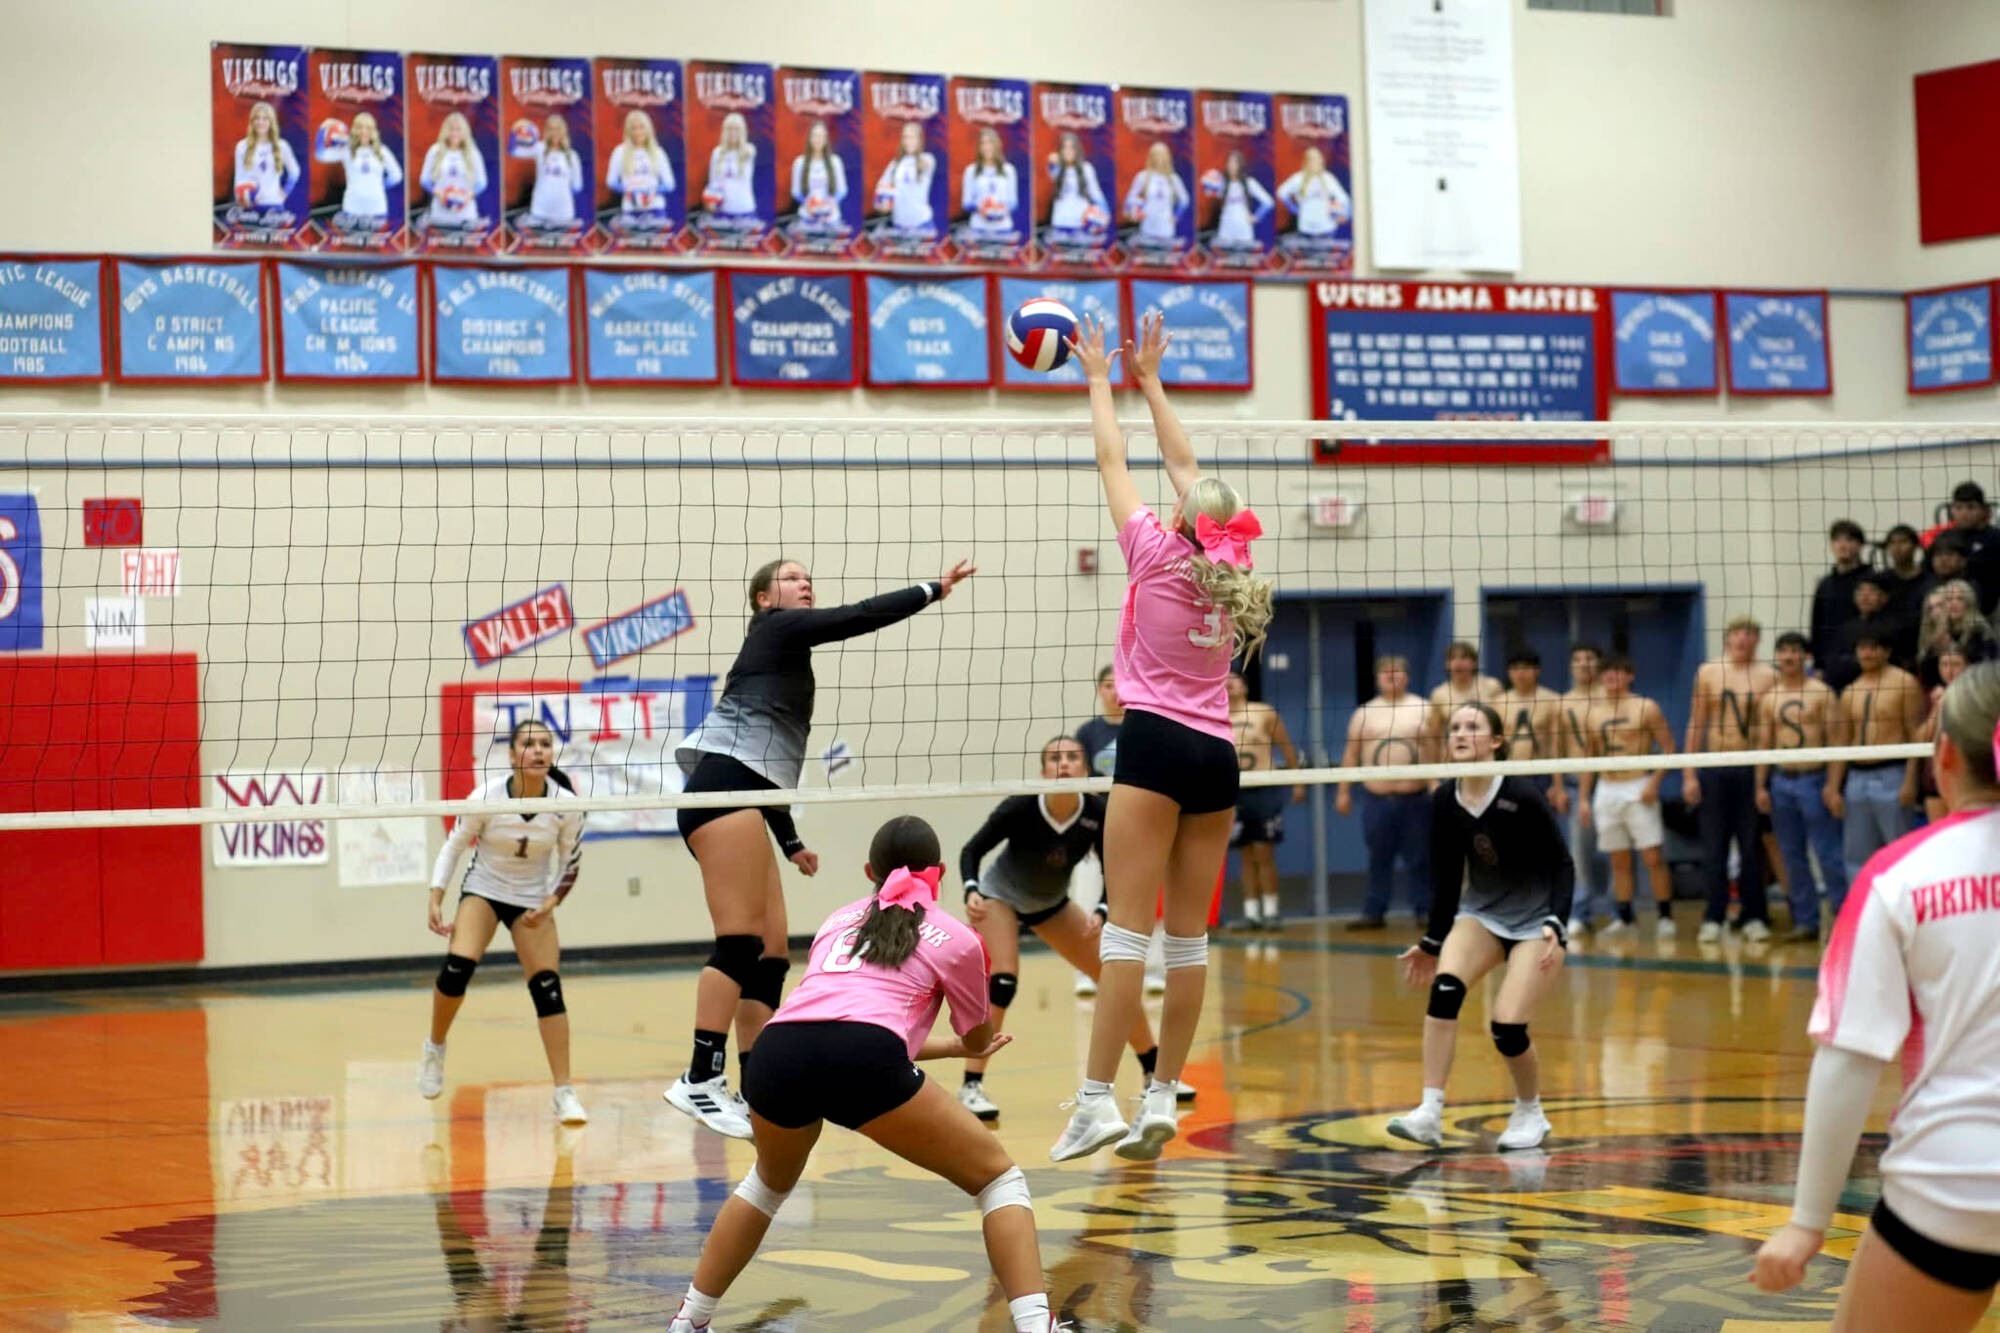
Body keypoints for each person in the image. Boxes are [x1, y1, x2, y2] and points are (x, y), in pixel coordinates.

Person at [666, 815, 1069, 1333]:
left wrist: (935, 1048)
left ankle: (689, 1321)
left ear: (868, 871)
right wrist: (969, 1043)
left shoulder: (837, 921)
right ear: (940, 872)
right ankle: (1038, 1326)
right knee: (999, 1180)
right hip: (863, 1057)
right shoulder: (959, 937)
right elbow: (971, 1039)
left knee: (766, 1186)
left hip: (778, 1050)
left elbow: (844, 1014)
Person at [1050, 311, 1273, 1164]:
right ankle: (1163, 1095)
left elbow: (1117, 460)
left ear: (1179, 517)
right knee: (1189, 940)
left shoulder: (1152, 548)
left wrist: (1104, 379)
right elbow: (1190, 470)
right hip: (1217, 755)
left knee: (1122, 936)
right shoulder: (1234, 566)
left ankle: (1097, 1099)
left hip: (1151, 745)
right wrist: (1153, 382)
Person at [665, 554, 976, 1139]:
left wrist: (791, 842)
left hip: (742, 798)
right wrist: (931, 589)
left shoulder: (785, 657)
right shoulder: (778, 629)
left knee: (772, 952)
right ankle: (700, 1078)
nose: (804, 582)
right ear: (763, 599)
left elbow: (763, 772)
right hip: (719, 794)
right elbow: (857, 617)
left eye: (809, 576)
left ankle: (756, 1092)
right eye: (790, 578)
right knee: (739, 940)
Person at [1750, 663, 2000, 1332]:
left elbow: (1850, 1058)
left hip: (1957, 1188)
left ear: (1942, 753)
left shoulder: (1900, 877)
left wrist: (1807, 1225)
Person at [957, 737, 1194, 1121]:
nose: (1064, 765)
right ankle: (971, 1086)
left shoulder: (1096, 811)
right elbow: (972, 850)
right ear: (1043, 770)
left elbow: (1111, 866)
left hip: (1052, 904)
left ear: (1085, 769)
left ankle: (1154, 1072)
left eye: (1072, 758)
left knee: (1116, 977)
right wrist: (971, 888)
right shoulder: (1021, 806)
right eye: (1055, 758)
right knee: (1003, 983)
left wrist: (1101, 909)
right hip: (999, 897)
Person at [1386, 702, 1571, 1152]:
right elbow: (1446, 877)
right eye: (1454, 728)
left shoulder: (1522, 795)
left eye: (1473, 727)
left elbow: (1562, 864)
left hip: (1535, 923)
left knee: (1507, 1028)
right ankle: (1430, 1111)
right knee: (1445, 991)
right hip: (1482, 914)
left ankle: (1531, 1111)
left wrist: (1557, 922)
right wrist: (1432, 941)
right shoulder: (1444, 799)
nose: (1461, 734)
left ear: (1495, 742)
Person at [421, 718, 587, 1123]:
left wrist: (551, 902)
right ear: (512, 755)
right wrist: (436, 896)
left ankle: (563, 1091)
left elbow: (570, 863)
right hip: (485, 890)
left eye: (545, 744)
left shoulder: (565, 805)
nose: (538, 751)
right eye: (529, 744)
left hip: (531, 898)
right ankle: (435, 1048)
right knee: (456, 970)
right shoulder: (487, 796)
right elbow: (454, 846)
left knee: (548, 990)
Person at [1072, 667, 1166, 998]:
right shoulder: (1087, 732)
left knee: (1145, 899)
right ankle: (1087, 972)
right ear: (1100, 690)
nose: (1115, 691)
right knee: (1086, 899)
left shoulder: (1143, 728)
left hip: (1139, 825)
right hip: (1095, 827)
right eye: (1109, 686)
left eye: (1121, 685)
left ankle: (1154, 970)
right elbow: (1076, 777)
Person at [1684, 615, 1778, 943]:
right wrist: (1689, 774)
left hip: (1751, 766)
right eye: (1738, 633)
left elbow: (1771, 729)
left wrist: (1764, 780)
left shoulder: (1769, 675)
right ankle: (1714, 915)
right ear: (1728, 638)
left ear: (1757, 640)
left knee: (1751, 847)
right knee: (1714, 848)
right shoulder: (1708, 672)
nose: (1743, 639)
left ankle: (1755, 915)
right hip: (1715, 765)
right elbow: (1696, 722)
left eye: (1750, 634)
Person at [1755, 632, 1850, 945]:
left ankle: (1843, 916)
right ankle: (1805, 921)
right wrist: (1761, 786)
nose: (1788, 657)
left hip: (1815, 779)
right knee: (1791, 855)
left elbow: (1837, 742)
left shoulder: (1821, 693)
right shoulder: (1770, 697)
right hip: (1781, 782)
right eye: (1783, 651)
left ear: (1805, 656)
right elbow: (1764, 743)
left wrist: (1833, 786)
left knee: (1828, 853)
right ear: (1777, 657)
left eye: (1795, 651)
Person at [1578, 655, 1679, 938]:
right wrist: (1585, 799)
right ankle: (1624, 918)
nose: (1612, 678)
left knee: (1652, 857)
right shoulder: (1594, 713)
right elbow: (1589, 759)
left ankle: (1665, 916)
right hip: (1607, 789)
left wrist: (1654, 783)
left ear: (1630, 675)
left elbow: (1670, 749)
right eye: (1607, 673)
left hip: (1638, 785)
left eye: (1619, 672)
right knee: (1618, 861)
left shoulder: (1646, 707)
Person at [1337, 655, 1436, 930]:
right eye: (1385, 672)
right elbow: (1351, 752)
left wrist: (1435, 785)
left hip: (1415, 798)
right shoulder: (1364, 713)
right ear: (1377, 678)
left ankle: (1425, 909)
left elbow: (1434, 751)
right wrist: (1343, 791)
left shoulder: (1424, 708)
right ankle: (1374, 911)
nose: (1391, 676)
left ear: (1407, 676)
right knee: (1378, 858)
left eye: (1398, 671)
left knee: (1421, 858)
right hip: (1376, 799)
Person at [1828, 629, 1926, 887]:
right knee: (1856, 856)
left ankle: (1907, 919)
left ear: (1886, 651)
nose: (1867, 653)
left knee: (1900, 853)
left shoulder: (1903, 683)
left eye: (1873, 647)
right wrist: (1833, 786)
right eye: (1862, 648)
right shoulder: (1850, 691)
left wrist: (1909, 781)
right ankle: (1860, 917)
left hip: (1892, 774)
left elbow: (1916, 734)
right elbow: (1842, 742)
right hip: (1857, 779)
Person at [1227, 670, 1304, 930]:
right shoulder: (1215, 714)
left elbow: (1287, 747)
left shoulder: (1264, 712)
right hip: (1233, 791)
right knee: (1245, 855)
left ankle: (1271, 911)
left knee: (1263, 852)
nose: (1229, 683)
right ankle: (1251, 914)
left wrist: (1297, 781)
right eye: (1224, 680)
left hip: (1263, 788)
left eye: (1234, 679)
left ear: (1245, 687)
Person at [1559, 643, 1611, 937]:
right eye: (1578, 659)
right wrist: (1557, 786)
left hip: (1611, 782)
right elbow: (1558, 748)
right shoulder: (1563, 702)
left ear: (1599, 664)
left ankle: (1618, 911)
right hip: (1576, 784)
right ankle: (1582, 911)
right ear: (1571, 667)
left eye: (1590, 657)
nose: (1584, 664)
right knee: (1579, 856)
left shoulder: (1612, 698)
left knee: (1616, 852)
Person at [313, 110, 402, 228]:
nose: (364, 131)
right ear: (354, 130)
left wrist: (379, 186)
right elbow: (320, 155)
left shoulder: (382, 150)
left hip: (377, 210)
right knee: (351, 244)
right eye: (360, 127)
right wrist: (322, 129)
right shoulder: (347, 150)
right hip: (351, 209)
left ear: (373, 131)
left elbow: (397, 176)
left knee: (374, 244)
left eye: (367, 128)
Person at [1494, 649, 1563, 800]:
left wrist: (1558, 785)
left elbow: (1555, 745)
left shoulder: (1553, 700)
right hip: (1508, 773)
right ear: (1508, 672)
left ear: (1537, 670)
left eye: (1525, 668)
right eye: (1515, 668)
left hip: (1541, 774)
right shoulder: (1498, 702)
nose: (1520, 674)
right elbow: (1493, 744)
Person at [1826, 573, 1907, 690]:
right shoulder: (1846, 629)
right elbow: (1835, 663)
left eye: (1871, 591)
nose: (1865, 596)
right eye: (1860, 591)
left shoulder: (1895, 627)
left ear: (1884, 597)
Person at [1930, 481, 2000, 615]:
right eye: (1959, 507)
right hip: (1944, 604)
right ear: (1952, 510)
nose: (1964, 513)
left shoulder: (1995, 538)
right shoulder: (1944, 537)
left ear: (1983, 510)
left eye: (1971, 507)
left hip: (1986, 607)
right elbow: (1927, 568)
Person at [1920, 644, 1971, 822]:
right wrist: (1937, 707)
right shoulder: (1931, 695)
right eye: (1944, 664)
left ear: (1967, 666)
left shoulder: (1976, 695)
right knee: (1939, 833)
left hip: (1966, 776)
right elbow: (1921, 738)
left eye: (1956, 664)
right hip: (1935, 776)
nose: (1950, 670)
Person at [1810, 520, 1868, 676]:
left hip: (1864, 664)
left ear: (1860, 545)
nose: (1843, 545)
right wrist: (1818, 665)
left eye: (1849, 540)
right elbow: (1816, 626)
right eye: (1837, 540)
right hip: (1830, 666)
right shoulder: (1825, 584)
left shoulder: (1871, 580)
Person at [1917, 579, 1996, 687]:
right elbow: (1927, 675)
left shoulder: (1979, 630)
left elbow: (1984, 671)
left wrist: (1955, 649)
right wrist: (1936, 650)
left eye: (1959, 599)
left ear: (1968, 602)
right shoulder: (1942, 631)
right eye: (1949, 600)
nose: (1953, 603)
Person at [511, 114, 583, 230]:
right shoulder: (539, 149)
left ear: (564, 131)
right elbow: (514, 152)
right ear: (546, 131)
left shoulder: (572, 156)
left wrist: (558, 193)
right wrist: (515, 130)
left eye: (558, 129)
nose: (555, 133)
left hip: (563, 215)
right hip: (539, 212)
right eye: (551, 129)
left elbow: (577, 186)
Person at [419, 112, 488, 231]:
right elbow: (424, 179)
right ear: (445, 131)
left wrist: (466, 197)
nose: (454, 133)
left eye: (458, 130)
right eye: (451, 129)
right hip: (440, 215)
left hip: (466, 216)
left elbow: (482, 182)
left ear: (464, 132)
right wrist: (439, 193)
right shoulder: (435, 150)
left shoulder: (473, 153)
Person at [606, 108, 676, 224]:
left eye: (641, 127)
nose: (638, 132)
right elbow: (611, 181)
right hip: (630, 210)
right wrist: (629, 190)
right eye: (634, 128)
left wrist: (653, 191)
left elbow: (670, 184)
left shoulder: (658, 152)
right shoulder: (619, 152)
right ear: (628, 131)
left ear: (648, 129)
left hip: (655, 209)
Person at [233, 101, 300, 210]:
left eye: (265, 118)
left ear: (271, 122)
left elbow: (295, 171)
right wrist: (241, 199)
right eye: (257, 118)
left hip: (274, 205)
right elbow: (239, 178)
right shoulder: (241, 146)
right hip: (250, 205)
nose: (260, 122)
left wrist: (286, 192)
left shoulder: (281, 145)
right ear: (252, 121)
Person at [873, 120, 936, 236]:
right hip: (899, 226)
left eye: (913, 137)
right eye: (905, 137)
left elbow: (925, 164)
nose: (908, 141)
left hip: (922, 225)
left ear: (919, 140)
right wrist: (881, 204)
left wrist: (916, 162)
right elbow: (881, 189)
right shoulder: (895, 164)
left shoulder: (927, 159)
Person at [1122, 141, 1189, 249]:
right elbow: (1130, 198)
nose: (1159, 159)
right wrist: (1137, 209)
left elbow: (1185, 199)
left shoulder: (1173, 178)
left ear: (1167, 157)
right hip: (1148, 228)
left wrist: (1177, 216)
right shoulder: (1142, 176)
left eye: (1162, 155)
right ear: (1151, 157)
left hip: (1166, 230)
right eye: (1156, 155)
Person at [1275, 145, 1349, 241]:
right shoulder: (1302, 178)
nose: (1314, 162)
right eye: (1313, 160)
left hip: (1316, 227)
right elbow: (1343, 199)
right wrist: (1293, 208)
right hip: (1317, 227)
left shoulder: (1324, 178)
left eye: (1315, 159)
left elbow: (1281, 193)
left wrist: (1293, 208)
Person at [789, 120, 850, 235]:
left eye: (821, 136)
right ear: (810, 139)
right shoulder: (800, 162)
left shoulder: (835, 162)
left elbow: (842, 190)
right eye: (815, 136)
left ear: (826, 140)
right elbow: (795, 191)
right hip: (807, 218)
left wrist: (831, 203)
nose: (818, 140)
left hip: (831, 220)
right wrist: (808, 204)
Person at [1428, 642, 1505, 732]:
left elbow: (1503, 720)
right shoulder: (1439, 693)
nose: (1458, 663)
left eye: (1463, 657)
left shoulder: (1491, 686)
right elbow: (1434, 730)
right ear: (1447, 665)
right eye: (1452, 658)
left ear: (1474, 663)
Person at [960, 126, 1019, 241]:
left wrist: (1001, 209)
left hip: (1003, 229)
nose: (987, 147)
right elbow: (966, 203)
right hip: (978, 229)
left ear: (997, 145)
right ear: (979, 147)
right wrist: (980, 208)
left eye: (990, 143)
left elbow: (1013, 202)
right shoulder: (971, 170)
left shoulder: (1009, 170)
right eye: (983, 143)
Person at [1209, 149, 1274, 252]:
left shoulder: (1249, 183)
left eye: (1234, 163)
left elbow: (1268, 202)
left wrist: (1257, 217)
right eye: (1229, 162)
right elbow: (1211, 192)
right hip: (1226, 230)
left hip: (1243, 230)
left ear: (1240, 165)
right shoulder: (1222, 183)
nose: (1231, 166)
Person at [1044, 131, 1107, 235]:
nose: (1068, 151)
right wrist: (1052, 160)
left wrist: (1103, 214)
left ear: (1077, 150)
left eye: (1072, 147)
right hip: (1059, 224)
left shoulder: (1087, 168)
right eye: (1065, 147)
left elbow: (1097, 195)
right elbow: (1051, 166)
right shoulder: (1058, 169)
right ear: (1060, 150)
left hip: (1080, 226)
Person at [704, 111, 761, 224]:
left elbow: (749, 152)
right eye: (729, 129)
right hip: (723, 212)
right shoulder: (717, 152)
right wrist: (710, 200)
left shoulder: (748, 151)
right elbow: (713, 182)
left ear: (742, 131)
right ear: (724, 131)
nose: (733, 132)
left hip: (746, 210)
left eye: (736, 129)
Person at [1884, 523, 1934, 632]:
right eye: (1892, 543)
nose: (1897, 548)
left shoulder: (1930, 582)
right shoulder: (1882, 581)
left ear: (1915, 546)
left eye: (1903, 542)